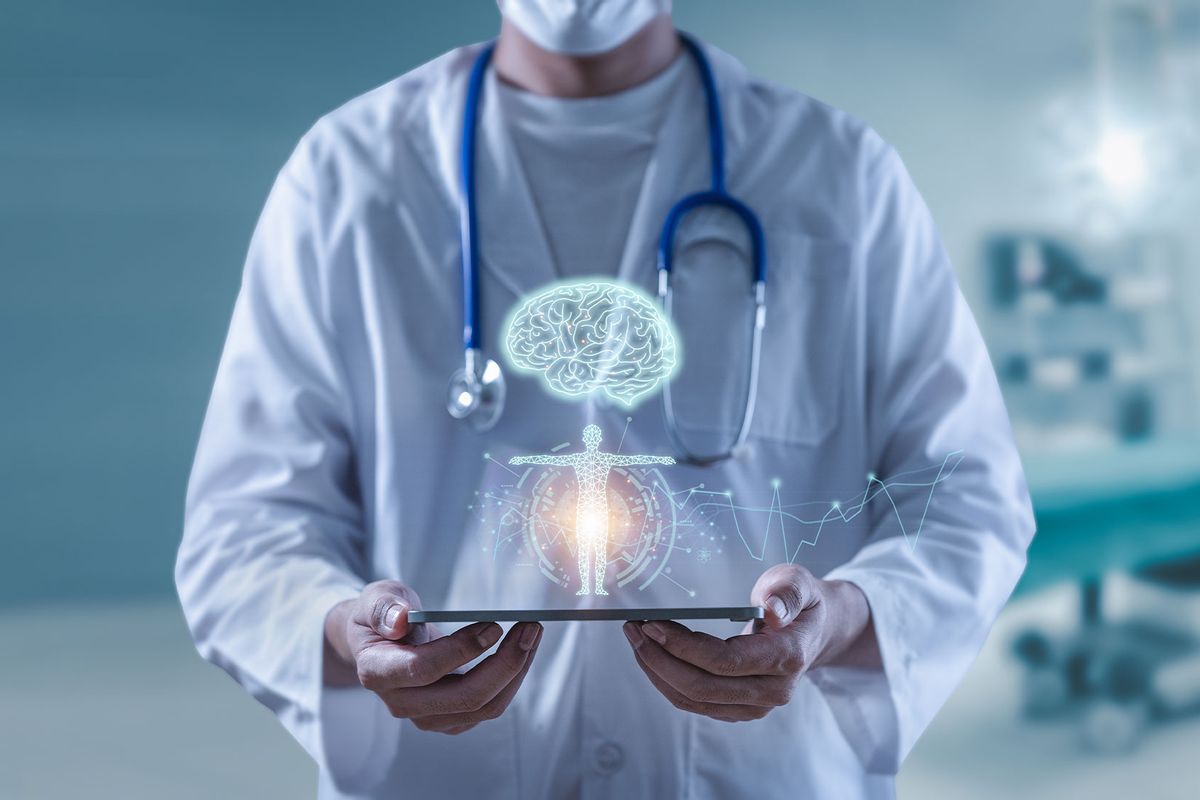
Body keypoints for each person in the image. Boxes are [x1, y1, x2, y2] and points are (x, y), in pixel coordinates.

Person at [176, 1, 1035, 797]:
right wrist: (339, 633)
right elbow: (243, 528)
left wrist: (846, 617)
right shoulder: (348, 173)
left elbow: (966, 494)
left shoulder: (841, 173)